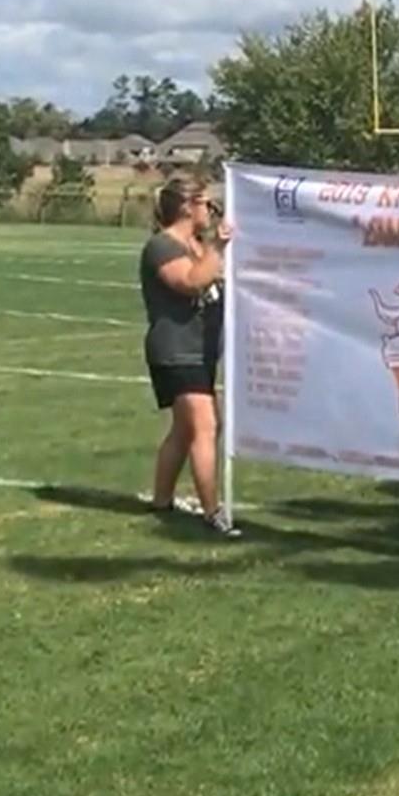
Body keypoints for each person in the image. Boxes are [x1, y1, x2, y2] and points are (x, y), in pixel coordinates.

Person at [140, 174, 235, 538]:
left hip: (201, 350)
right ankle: (213, 513)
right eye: (206, 204)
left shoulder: (196, 244)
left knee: (185, 429)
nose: (211, 211)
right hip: (176, 350)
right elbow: (191, 281)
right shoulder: (162, 247)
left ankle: (161, 501)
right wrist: (218, 246)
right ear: (187, 207)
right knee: (206, 426)